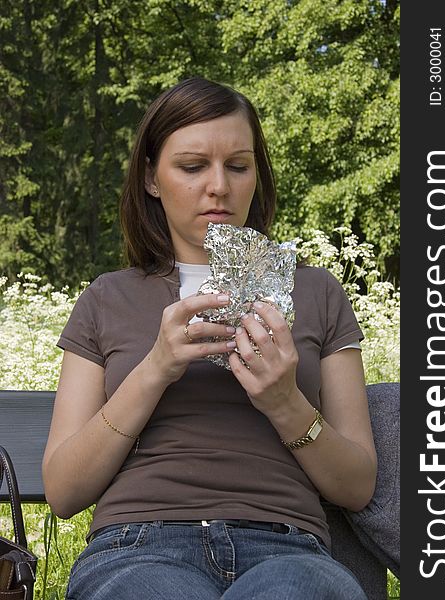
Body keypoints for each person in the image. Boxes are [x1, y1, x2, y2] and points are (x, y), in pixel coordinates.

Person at [42, 76, 377, 600]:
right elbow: (64, 491)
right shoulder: (108, 298)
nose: (218, 186)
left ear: (256, 178)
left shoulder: (316, 292)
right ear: (152, 178)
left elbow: (356, 487)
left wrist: (285, 401)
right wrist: (154, 369)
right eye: (193, 166)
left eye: (238, 166)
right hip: (137, 545)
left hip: (288, 550)